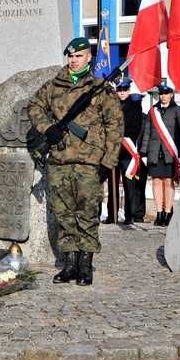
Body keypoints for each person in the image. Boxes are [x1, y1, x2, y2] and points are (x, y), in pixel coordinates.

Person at [28, 37, 123, 286]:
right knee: (64, 215)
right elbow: (34, 106)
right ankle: (69, 264)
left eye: (78, 56)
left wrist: (108, 162)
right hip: (59, 161)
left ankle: (85, 265)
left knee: (88, 214)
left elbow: (115, 126)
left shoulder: (101, 88)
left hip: (89, 163)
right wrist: (48, 128)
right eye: (70, 56)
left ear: (89, 57)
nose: (73, 60)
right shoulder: (54, 85)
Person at [141, 84, 180, 227]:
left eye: (166, 93)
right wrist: (144, 152)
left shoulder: (177, 111)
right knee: (156, 181)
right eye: (161, 93)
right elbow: (147, 133)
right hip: (155, 151)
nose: (163, 96)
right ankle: (159, 213)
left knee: (168, 181)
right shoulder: (152, 111)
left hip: (170, 152)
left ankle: (168, 213)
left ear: (171, 94)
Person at [106, 78, 147, 224]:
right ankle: (112, 215)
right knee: (112, 185)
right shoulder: (111, 105)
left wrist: (118, 132)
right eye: (119, 90)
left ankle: (130, 216)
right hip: (113, 151)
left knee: (129, 186)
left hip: (127, 152)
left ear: (129, 90)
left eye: (124, 90)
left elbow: (135, 129)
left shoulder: (135, 106)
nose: (122, 93)